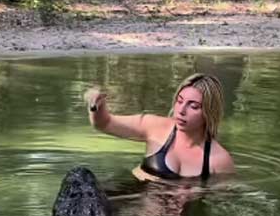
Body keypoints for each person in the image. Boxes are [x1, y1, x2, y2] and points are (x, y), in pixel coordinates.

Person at [84, 73, 235, 182]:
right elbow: (105, 123)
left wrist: (191, 193)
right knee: (81, 178)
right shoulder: (155, 127)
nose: (181, 110)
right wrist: (96, 105)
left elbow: (219, 200)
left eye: (193, 106)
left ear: (209, 113)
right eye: (179, 101)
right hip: (127, 203)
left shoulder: (219, 160)